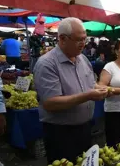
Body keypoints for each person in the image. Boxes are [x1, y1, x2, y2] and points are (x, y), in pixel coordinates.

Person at [33, 17, 108, 164]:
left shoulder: (83, 59)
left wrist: (105, 89)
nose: (83, 44)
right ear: (62, 38)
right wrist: (88, 95)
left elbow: (91, 84)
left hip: (84, 129)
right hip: (60, 133)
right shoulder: (47, 64)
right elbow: (51, 103)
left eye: (85, 39)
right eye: (79, 40)